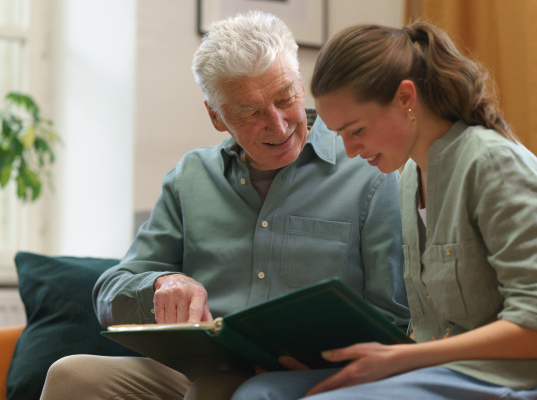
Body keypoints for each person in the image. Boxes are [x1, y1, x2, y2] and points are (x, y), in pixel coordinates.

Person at [39, 11, 409, 400]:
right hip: (195, 371)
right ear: (216, 116)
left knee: (213, 391)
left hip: (312, 377)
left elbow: (393, 316)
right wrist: (162, 284)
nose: (279, 126)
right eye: (250, 112)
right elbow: (109, 293)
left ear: (301, 84)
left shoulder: (368, 170)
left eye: (285, 97)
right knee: (72, 376)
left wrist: (333, 365)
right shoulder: (191, 176)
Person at [231, 20, 537, 400]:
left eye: (356, 130)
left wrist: (402, 359)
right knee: (260, 393)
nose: (350, 151)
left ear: (406, 99)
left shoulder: (492, 164)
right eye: (340, 135)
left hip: (502, 378)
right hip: (433, 369)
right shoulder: (409, 176)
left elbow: (533, 324)